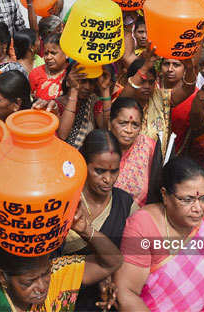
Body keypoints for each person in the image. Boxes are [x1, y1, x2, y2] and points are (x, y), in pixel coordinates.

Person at [116, 157, 204, 311]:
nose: (198, 208)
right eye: (187, 200)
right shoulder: (143, 226)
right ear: (165, 195)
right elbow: (126, 294)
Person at [0, 204, 123, 311]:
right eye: (28, 282)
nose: (42, 287)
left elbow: (112, 262)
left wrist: (85, 230)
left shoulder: (57, 274)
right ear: (3, 277)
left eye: (45, 274)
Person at [62, 129, 137, 310]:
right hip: (59, 292)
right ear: (83, 163)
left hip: (98, 301)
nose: (108, 180)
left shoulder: (126, 205)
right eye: (99, 171)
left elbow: (128, 258)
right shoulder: (66, 198)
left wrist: (110, 278)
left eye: (114, 171)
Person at [110, 98, 162, 207]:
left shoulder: (149, 147)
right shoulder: (100, 146)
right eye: (123, 123)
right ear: (110, 122)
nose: (129, 130)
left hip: (136, 214)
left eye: (135, 125)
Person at [28, 33, 69, 101]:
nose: (48, 57)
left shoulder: (71, 73)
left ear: (66, 54)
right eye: (46, 53)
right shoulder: (35, 73)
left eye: (53, 53)